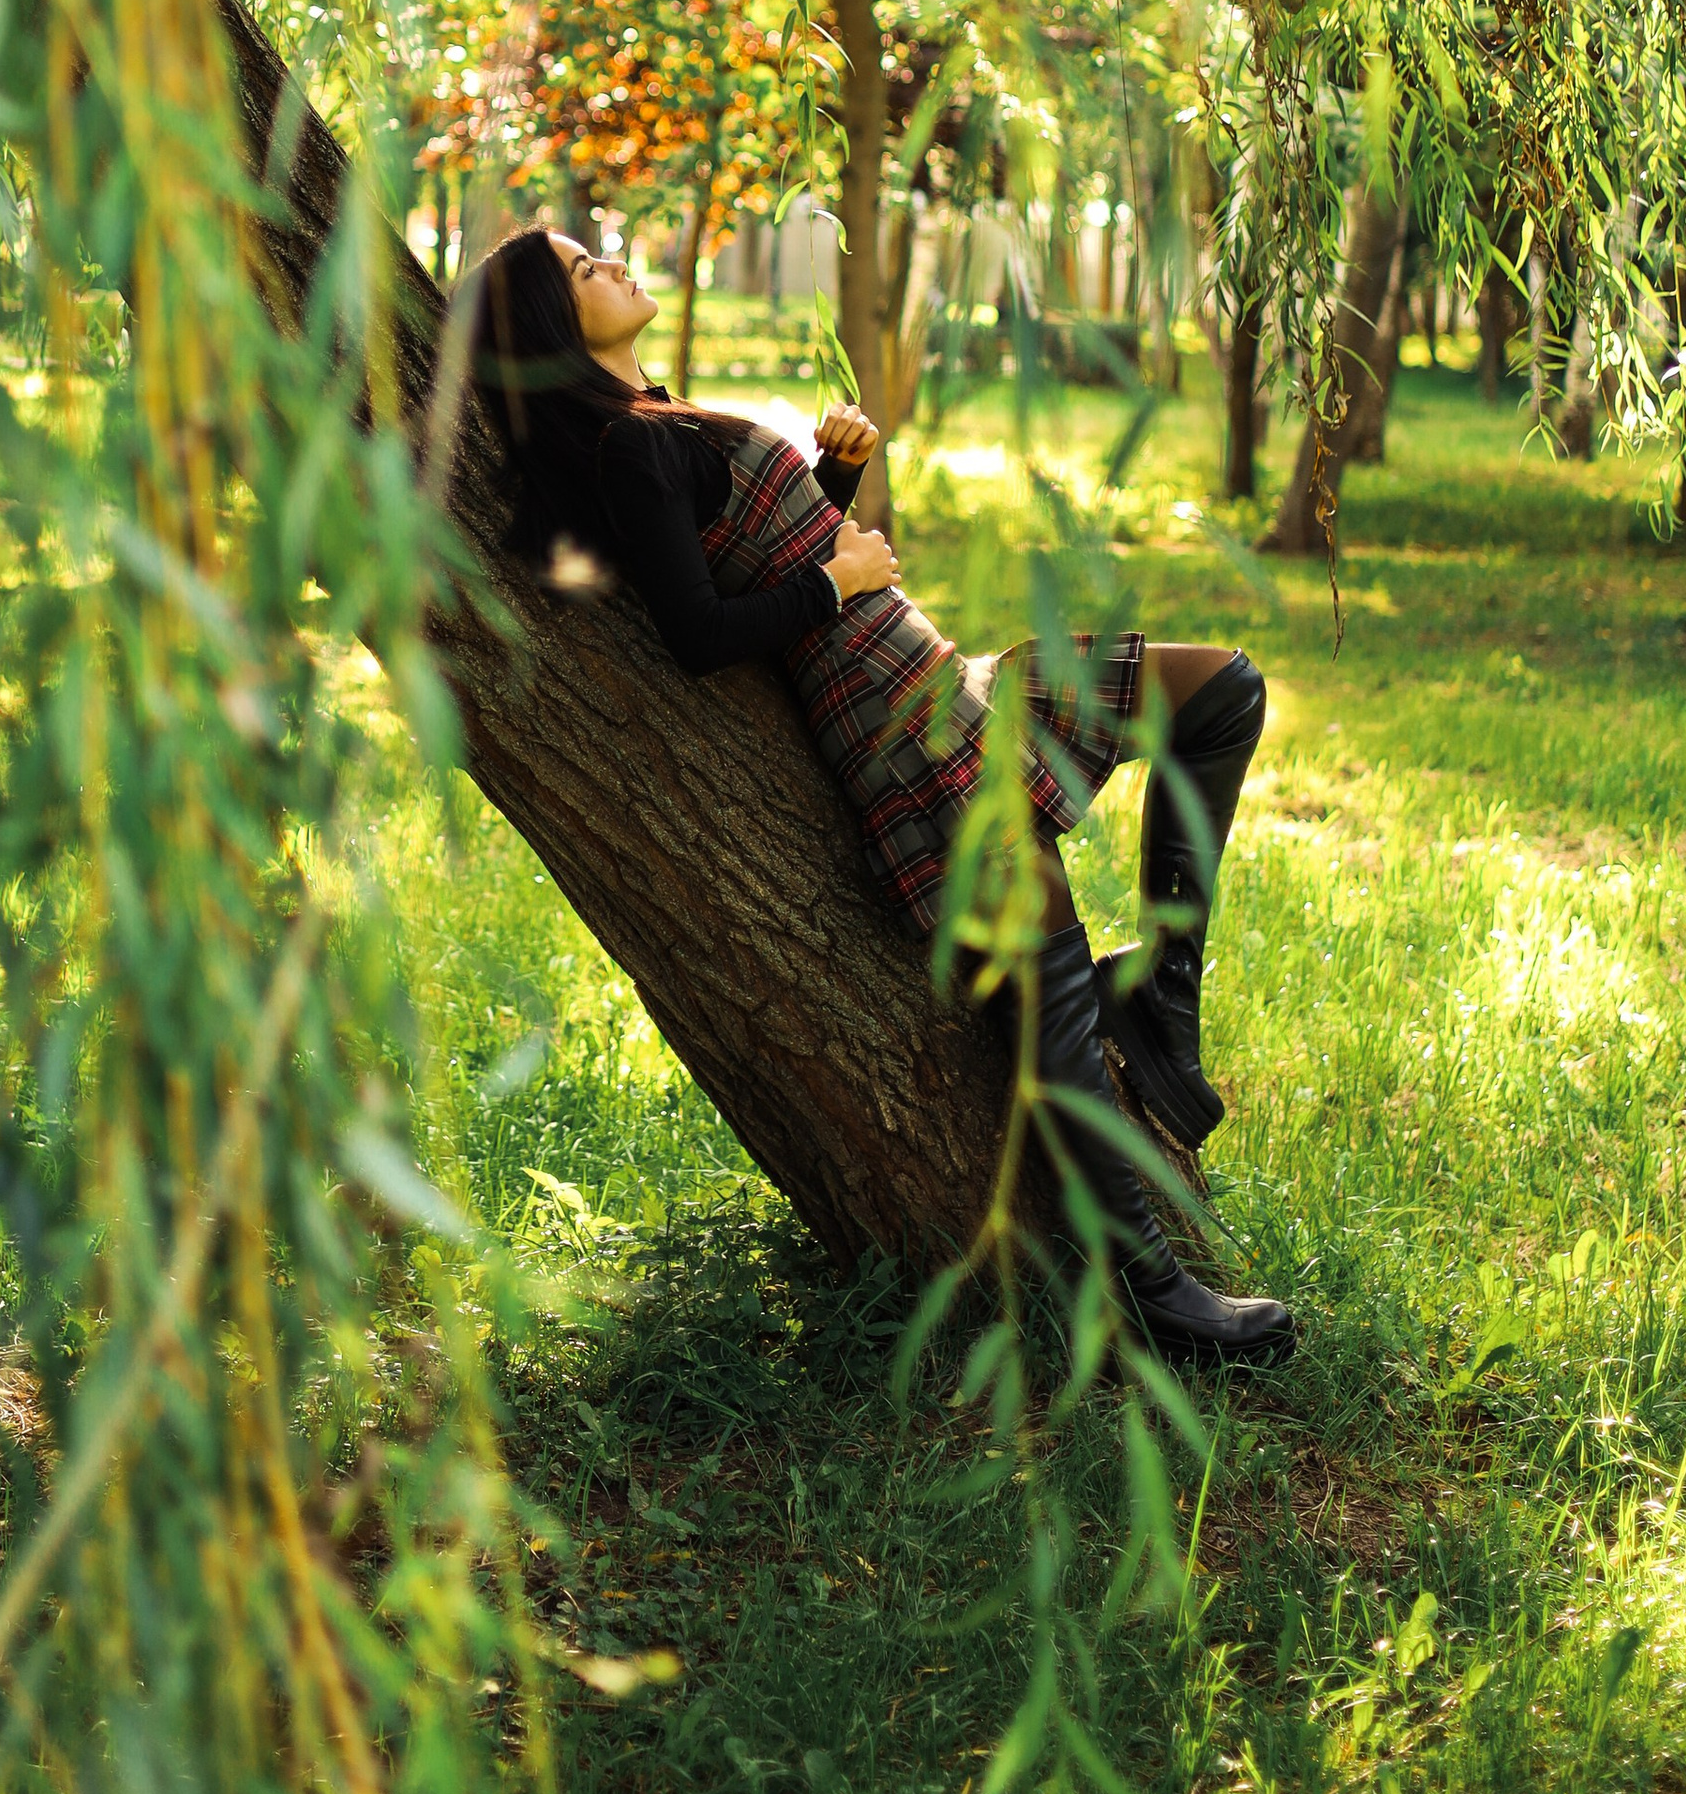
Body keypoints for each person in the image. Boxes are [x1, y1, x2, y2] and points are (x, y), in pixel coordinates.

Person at [467, 223, 1294, 1369]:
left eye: (594, 250)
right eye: (579, 268)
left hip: (951, 685)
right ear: (552, 325)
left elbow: (744, 555)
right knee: (1050, 1029)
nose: (609, 262)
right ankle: (1145, 1292)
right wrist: (835, 572)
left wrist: (831, 482)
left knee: (1221, 695)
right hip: (902, 738)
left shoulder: (655, 423)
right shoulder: (623, 451)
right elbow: (702, 634)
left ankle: (1158, 998)